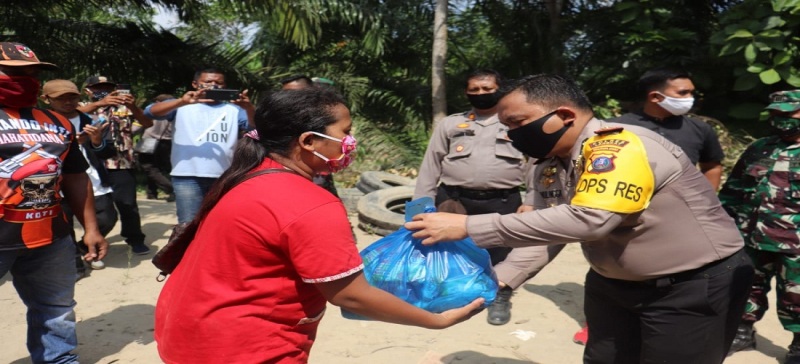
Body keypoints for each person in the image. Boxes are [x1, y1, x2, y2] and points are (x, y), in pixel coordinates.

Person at [406, 74, 754, 363]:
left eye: (517, 124)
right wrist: (497, 282)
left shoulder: (619, 148)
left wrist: (468, 226)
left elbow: (592, 220)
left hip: (689, 287)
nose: (512, 136)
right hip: (612, 285)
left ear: (564, 115)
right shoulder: (548, 164)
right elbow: (547, 230)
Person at [154, 88, 483, 363]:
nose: (351, 141)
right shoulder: (309, 203)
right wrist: (436, 320)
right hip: (241, 347)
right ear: (309, 141)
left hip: (185, 330)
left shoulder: (245, 175)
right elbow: (351, 297)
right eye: (346, 132)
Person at [0, 41, 108, 364]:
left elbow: (76, 176)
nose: (25, 78)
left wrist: (91, 228)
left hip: (51, 237)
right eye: (12, 72)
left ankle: (59, 360)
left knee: (56, 310)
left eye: (31, 72)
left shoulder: (57, 122)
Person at [414, 69, 542, 326]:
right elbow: (431, 165)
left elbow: (535, 164)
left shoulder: (516, 123)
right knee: (449, 252)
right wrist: (421, 205)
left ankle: (499, 297)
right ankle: (453, 296)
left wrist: (531, 200)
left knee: (501, 254)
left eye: (487, 89)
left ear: (500, 89)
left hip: (502, 201)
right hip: (454, 200)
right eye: (474, 90)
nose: (481, 94)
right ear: (466, 92)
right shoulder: (451, 124)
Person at [721, 89, 800, 363]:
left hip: (795, 244)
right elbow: (733, 190)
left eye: (788, 114)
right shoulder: (760, 148)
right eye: (776, 115)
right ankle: (742, 332)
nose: (781, 121)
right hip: (751, 237)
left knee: (796, 297)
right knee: (745, 288)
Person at [144, 68, 255, 223]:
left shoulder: (234, 110)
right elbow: (149, 112)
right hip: (186, 175)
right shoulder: (181, 104)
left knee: (219, 223)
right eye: (208, 82)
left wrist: (248, 108)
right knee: (188, 224)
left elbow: (255, 128)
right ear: (195, 84)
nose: (214, 86)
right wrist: (181, 102)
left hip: (223, 176)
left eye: (219, 83)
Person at [41, 79, 117, 273]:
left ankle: (87, 247)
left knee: (108, 217)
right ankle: (75, 267)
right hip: (56, 183)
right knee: (64, 228)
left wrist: (96, 140)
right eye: (61, 98)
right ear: (46, 99)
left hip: (93, 181)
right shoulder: (38, 122)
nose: (68, 102)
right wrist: (69, 143)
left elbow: (106, 153)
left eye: (72, 97)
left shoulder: (91, 121)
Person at [610, 68, 725, 190]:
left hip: (679, 205)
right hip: (627, 204)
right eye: (683, 93)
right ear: (655, 97)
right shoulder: (615, 128)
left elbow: (712, 167)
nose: (690, 98)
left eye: (691, 92)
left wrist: (706, 201)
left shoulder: (700, 129)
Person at [77, 75, 152, 255]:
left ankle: (135, 239)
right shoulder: (81, 107)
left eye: (108, 87)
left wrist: (132, 105)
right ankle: (88, 242)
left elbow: (147, 123)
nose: (104, 91)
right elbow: (68, 117)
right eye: (97, 88)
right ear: (88, 90)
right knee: (100, 209)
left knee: (127, 204)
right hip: (91, 166)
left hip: (120, 162)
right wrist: (100, 102)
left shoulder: (124, 108)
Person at [280, 74, 340, 197]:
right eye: (285, 93)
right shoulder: (278, 116)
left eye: (295, 93)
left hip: (317, 176)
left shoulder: (325, 115)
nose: (289, 98)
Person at [137, 94, 175, 202]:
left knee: (148, 167)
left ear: (158, 102)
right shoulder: (174, 111)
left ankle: (171, 188)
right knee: (159, 167)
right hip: (167, 141)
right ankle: (151, 193)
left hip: (148, 140)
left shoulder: (153, 111)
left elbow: (137, 127)